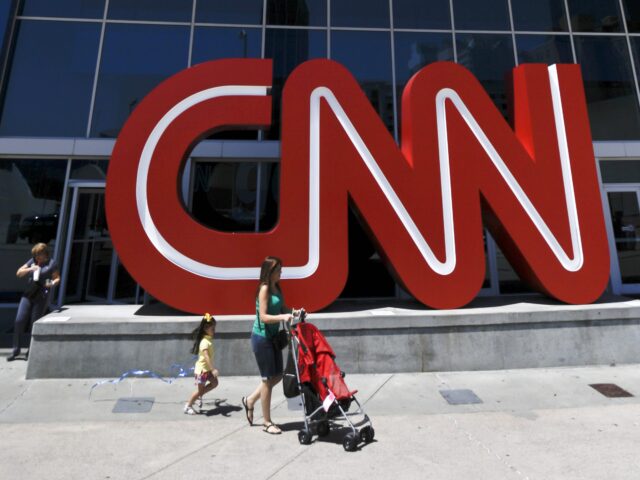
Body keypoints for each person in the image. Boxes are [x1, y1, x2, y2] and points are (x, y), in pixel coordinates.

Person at [242, 256, 298, 434]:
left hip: (273, 338)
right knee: (267, 380)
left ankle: (250, 400)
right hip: (262, 338)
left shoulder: (277, 287)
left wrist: (293, 312)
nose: (281, 272)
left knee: (277, 376)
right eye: (278, 270)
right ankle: (267, 422)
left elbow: (282, 308)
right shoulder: (264, 289)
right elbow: (264, 316)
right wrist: (283, 317)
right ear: (270, 272)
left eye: (281, 269)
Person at [8, 243, 60, 362]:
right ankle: (15, 350)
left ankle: (30, 351)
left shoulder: (52, 263)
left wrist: (52, 284)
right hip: (28, 294)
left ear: (45, 253)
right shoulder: (33, 261)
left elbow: (57, 278)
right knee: (19, 320)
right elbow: (19, 273)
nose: (37, 257)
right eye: (35, 255)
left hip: (41, 296)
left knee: (34, 323)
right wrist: (30, 268)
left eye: (39, 254)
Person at [184, 313, 219, 415]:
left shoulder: (208, 339)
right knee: (200, 391)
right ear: (205, 329)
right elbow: (206, 356)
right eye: (212, 329)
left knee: (215, 383)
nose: (214, 331)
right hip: (202, 371)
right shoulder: (204, 342)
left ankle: (199, 395)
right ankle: (188, 406)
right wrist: (213, 369)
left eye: (214, 328)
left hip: (206, 370)